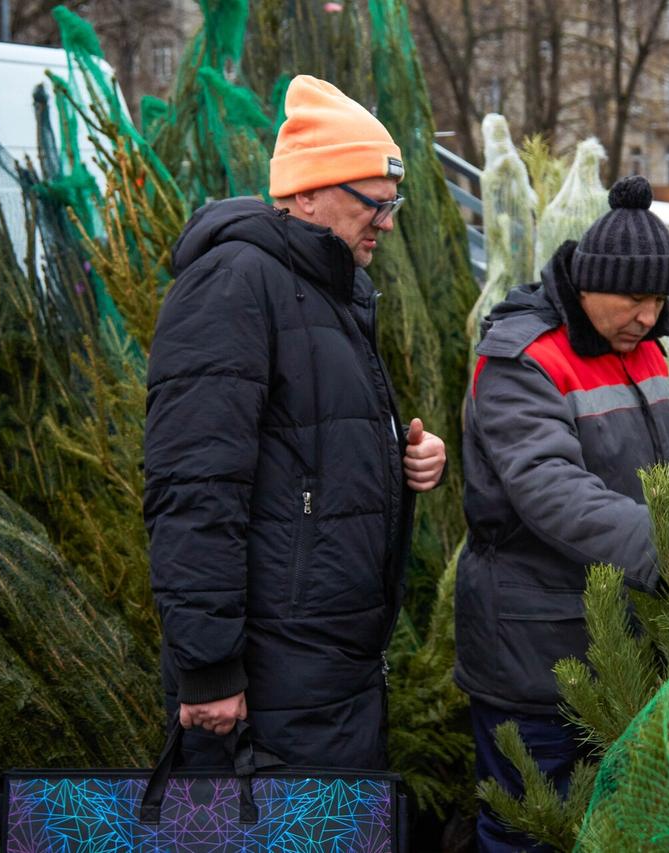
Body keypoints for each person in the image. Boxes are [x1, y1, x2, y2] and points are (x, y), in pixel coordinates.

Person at [144, 74, 447, 770]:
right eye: (376, 202)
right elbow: (194, 484)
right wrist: (210, 667)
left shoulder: (330, 292)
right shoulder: (235, 284)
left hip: (333, 674)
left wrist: (407, 459)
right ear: (307, 192)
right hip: (269, 684)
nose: (390, 222)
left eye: (393, 203)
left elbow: (308, 451)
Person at [455, 175, 669, 851]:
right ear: (589, 284)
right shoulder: (523, 358)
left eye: (659, 298)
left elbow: (651, 478)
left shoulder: (640, 345)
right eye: (634, 298)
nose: (649, 315)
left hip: (618, 643)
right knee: (532, 829)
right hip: (536, 653)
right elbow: (553, 490)